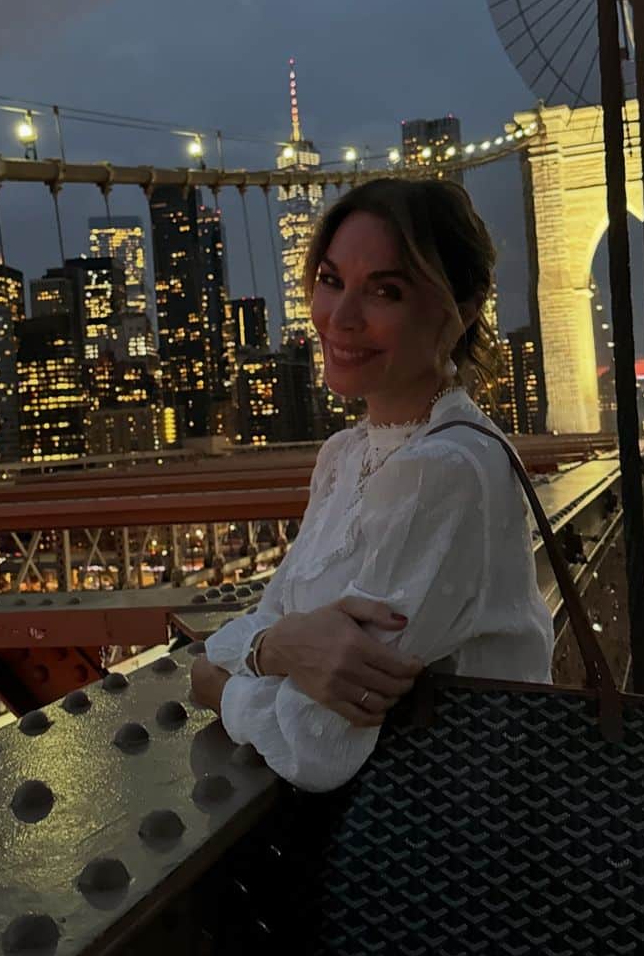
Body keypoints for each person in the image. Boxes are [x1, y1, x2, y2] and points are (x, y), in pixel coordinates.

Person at [190, 178, 554, 792]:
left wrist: (217, 681)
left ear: (462, 311)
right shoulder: (343, 456)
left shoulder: (446, 469)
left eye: (386, 291)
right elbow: (273, 617)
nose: (341, 318)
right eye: (331, 281)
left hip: (448, 825)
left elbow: (314, 743)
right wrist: (278, 647)